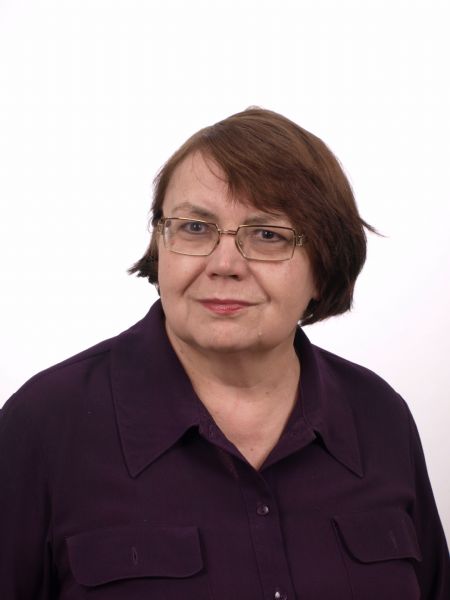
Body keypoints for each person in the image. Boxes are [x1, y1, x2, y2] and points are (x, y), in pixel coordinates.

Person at [0, 108, 448, 599]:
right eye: (195, 228)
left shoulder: (379, 416)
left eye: (267, 235)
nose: (225, 264)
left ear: (324, 265)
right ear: (160, 244)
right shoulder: (45, 424)